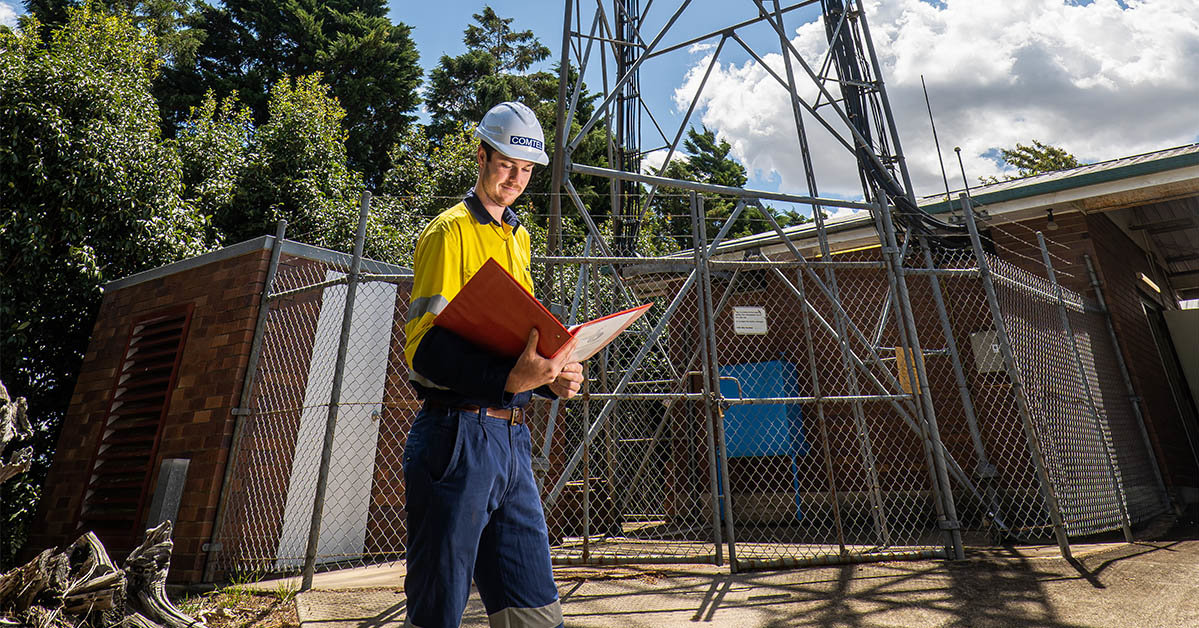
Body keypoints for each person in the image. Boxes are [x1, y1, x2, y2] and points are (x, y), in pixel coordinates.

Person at [401, 101, 584, 628]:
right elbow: (423, 351)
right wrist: (508, 379)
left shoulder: (518, 238)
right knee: (439, 609)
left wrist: (551, 377)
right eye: (507, 164)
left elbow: (512, 341)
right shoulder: (448, 232)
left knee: (535, 610)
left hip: (512, 442)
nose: (516, 179)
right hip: (456, 436)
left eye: (527, 170)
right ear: (481, 156)